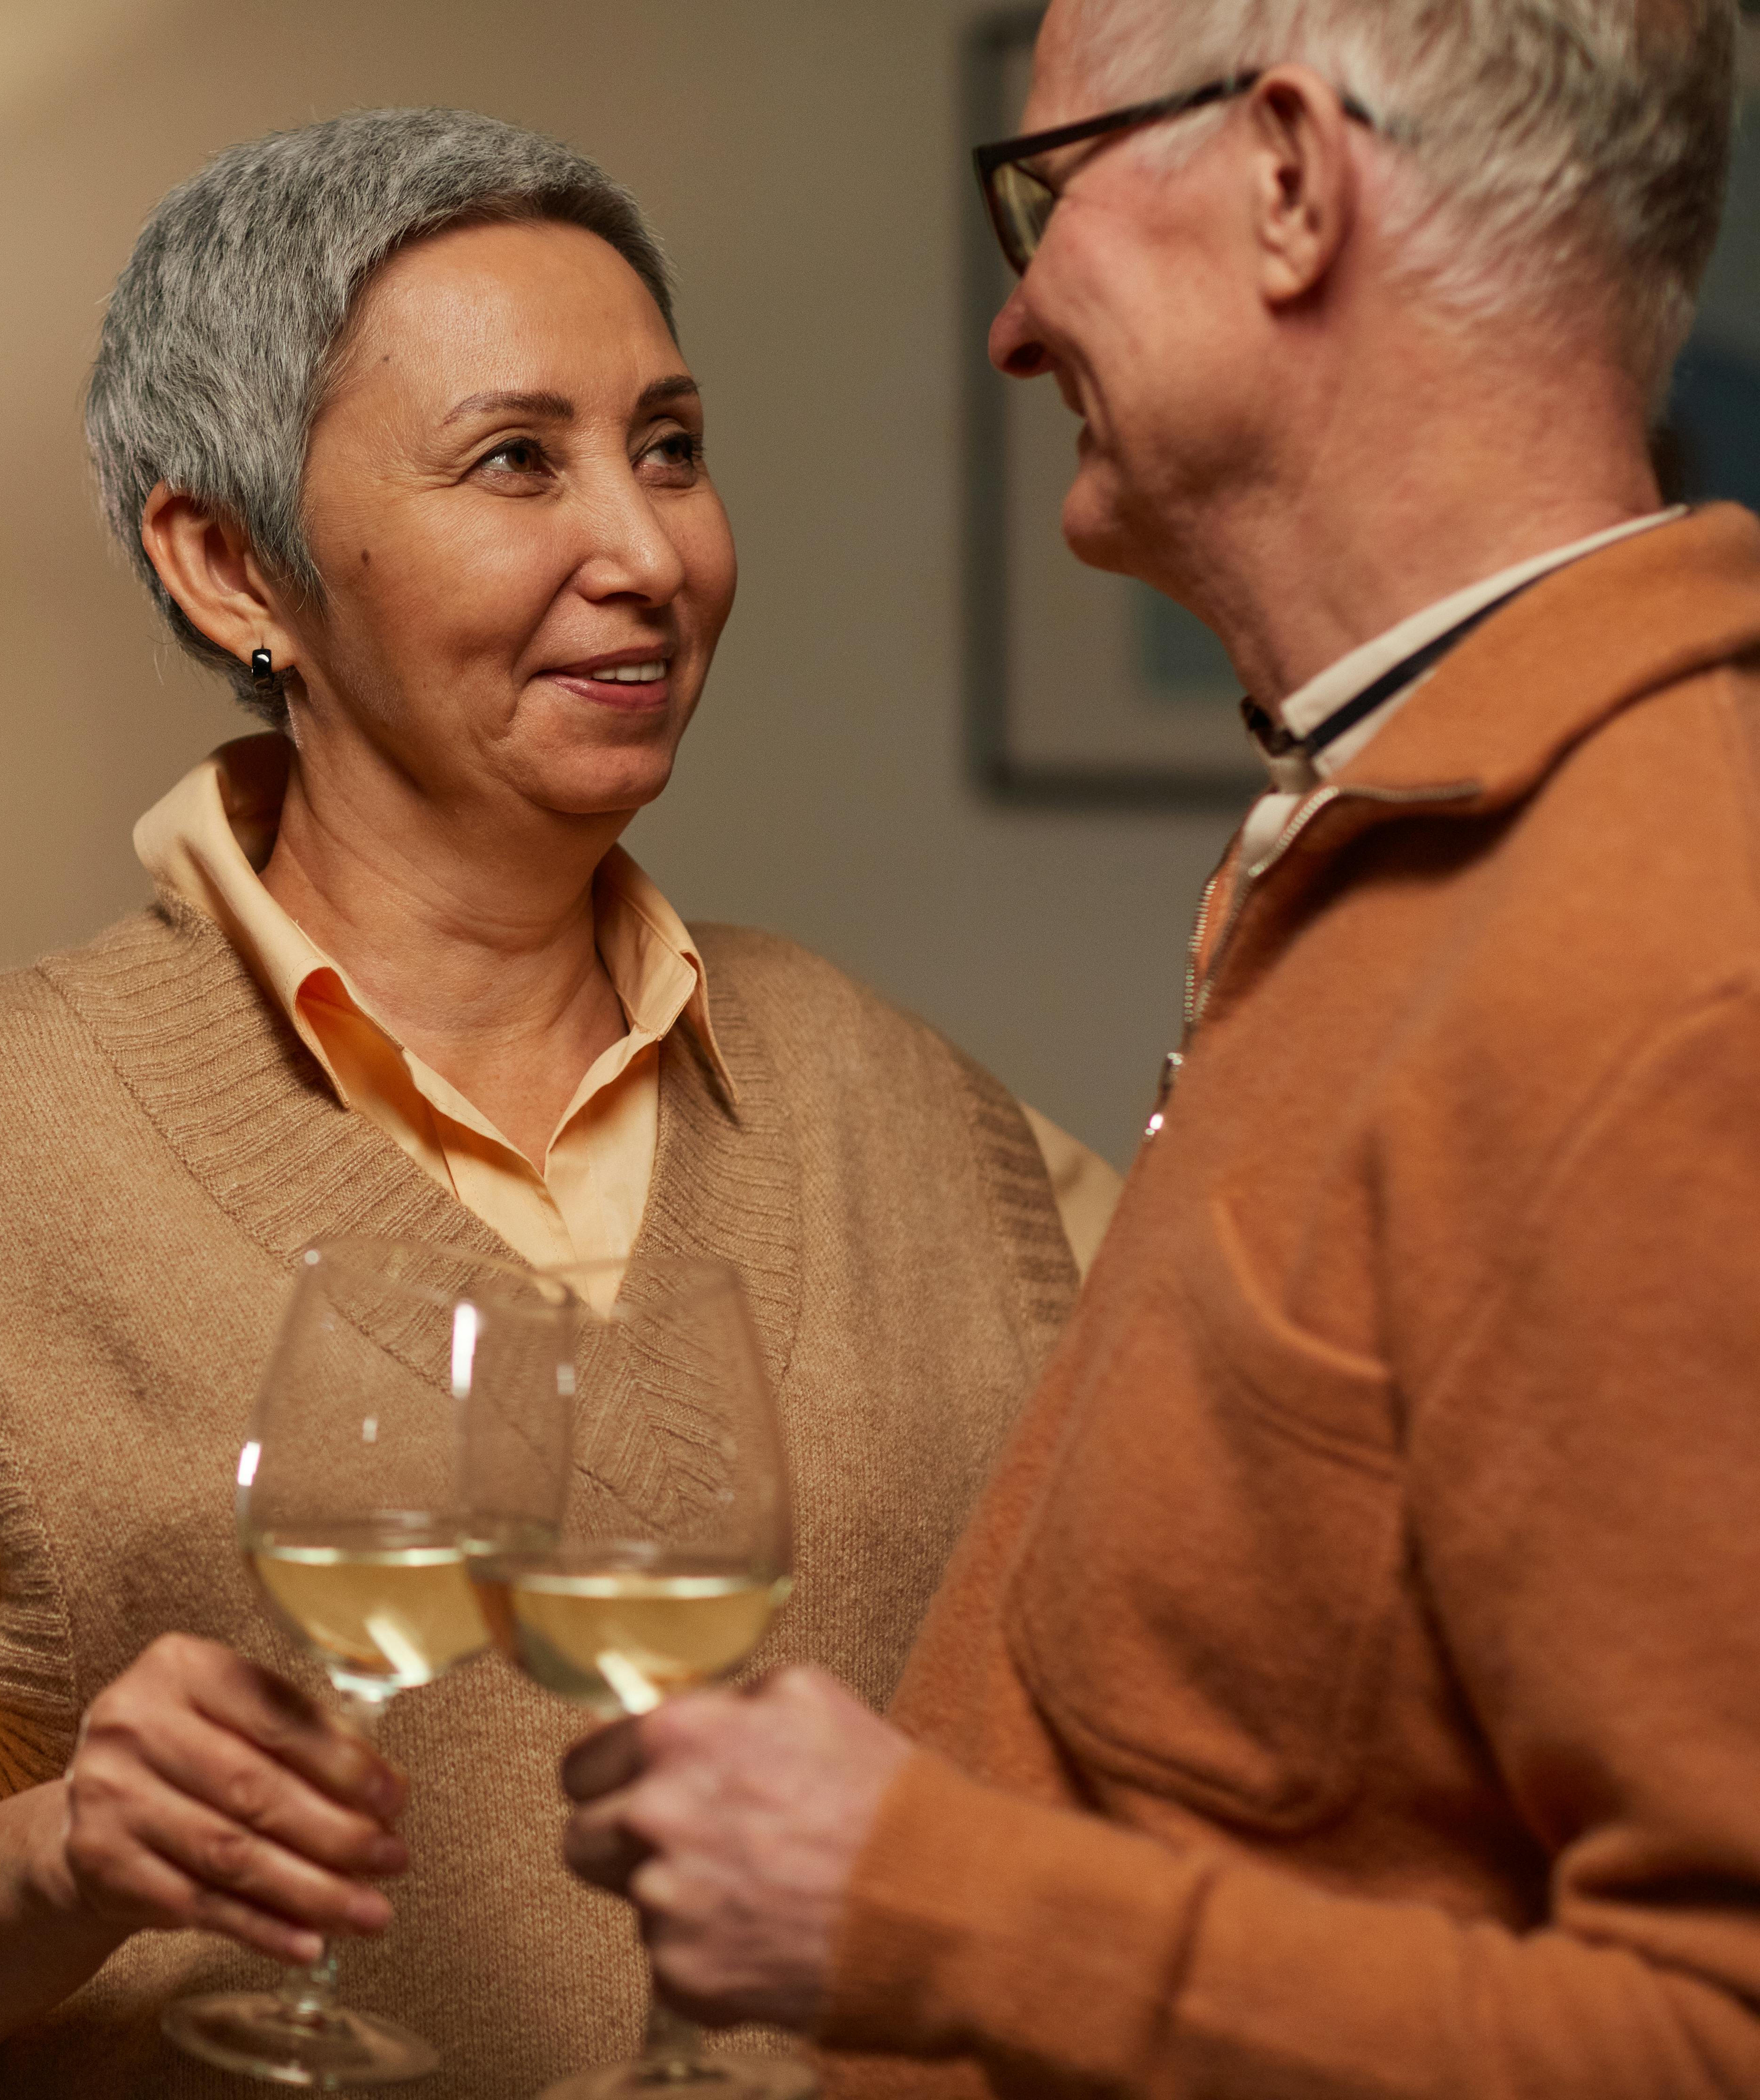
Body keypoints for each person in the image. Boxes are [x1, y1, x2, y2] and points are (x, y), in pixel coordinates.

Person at [0, 108, 1120, 2100]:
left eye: (669, 447)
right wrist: (60, 1857)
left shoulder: (914, 1112)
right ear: (230, 562)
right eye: (519, 461)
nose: (650, 551)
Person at [560, 2, 1760, 2093]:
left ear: (1290, 177)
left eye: (1051, 193)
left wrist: (921, 1907)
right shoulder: (1391, 820)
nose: (1015, 325)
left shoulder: (1665, 960)